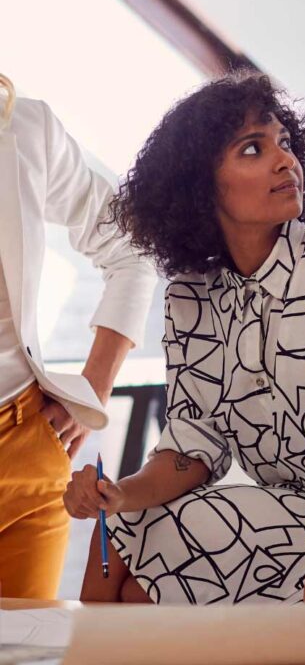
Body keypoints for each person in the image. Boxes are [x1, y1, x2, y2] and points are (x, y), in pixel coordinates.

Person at [63, 72, 305, 604]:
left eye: (285, 142)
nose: (285, 160)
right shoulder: (190, 296)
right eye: (252, 149)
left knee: (153, 551)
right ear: (200, 187)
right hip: (294, 519)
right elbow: (192, 445)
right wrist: (118, 495)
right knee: (129, 528)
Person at [0, 73, 156, 598]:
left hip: (26, 445)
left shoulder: (24, 127)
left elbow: (132, 245)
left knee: (26, 651)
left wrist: (93, 388)